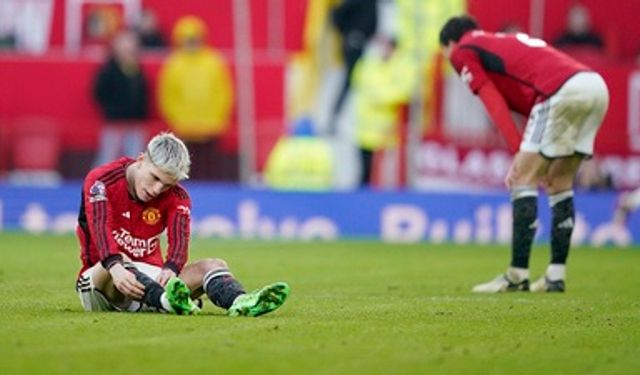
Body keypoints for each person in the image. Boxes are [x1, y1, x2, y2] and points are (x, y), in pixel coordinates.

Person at [439, 16, 609, 292]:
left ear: (450, 43)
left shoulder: (463, 50)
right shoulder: (497, 44)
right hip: (594, 86)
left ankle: (517, 276)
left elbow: (490, 99)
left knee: (522, 180)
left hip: (559, 91)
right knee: (559, 182)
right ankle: (555, 275)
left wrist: (518, 152)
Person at [75, 132, 290, 315]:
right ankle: (169, 302)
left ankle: (242, 302)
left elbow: (179, 241)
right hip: (104, 282)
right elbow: (100, 228)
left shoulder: (178, 197)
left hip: (150, 287)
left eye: (167, 184)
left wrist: (171, 268)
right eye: (155, 178)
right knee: (120, 259)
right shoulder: (101, 181)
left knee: (214, 265)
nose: (157, 189)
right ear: (141, 159)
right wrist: (115, 267)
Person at [158, 16, 234, 180]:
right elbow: (167, 96)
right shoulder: (174, 64)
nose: (191, 43)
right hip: (185, 128)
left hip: (210, 126)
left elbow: (223, 92)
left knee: (211, 170)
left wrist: (219, 116)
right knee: (185, 170)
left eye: (194, 39)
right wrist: (176, 118)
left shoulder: (213, 62)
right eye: (188, 39)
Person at [93, 30, 148, 167]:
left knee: (135, 161)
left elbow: (143, 93)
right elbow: (99, 92)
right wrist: (111, 110)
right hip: (115, 123)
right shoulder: (109, 69)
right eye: (125, 44)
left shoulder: (136, 68)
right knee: (107, 160)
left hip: (134, 122)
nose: (129, 47)